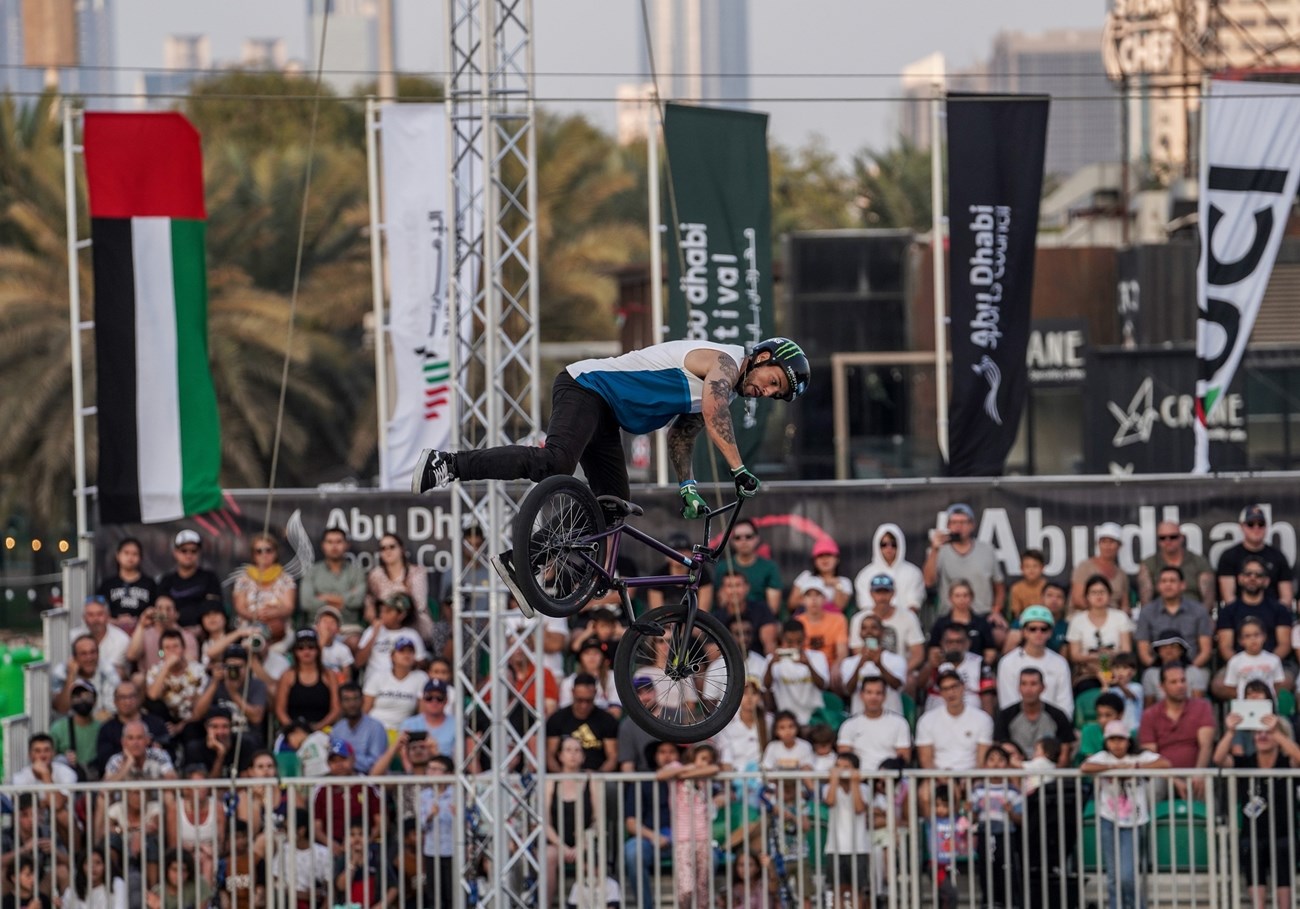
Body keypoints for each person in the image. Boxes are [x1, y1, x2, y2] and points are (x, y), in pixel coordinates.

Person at [412, 338, 811, 584]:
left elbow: (682, 434)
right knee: (555, 463)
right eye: (773, 381)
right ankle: (447, 463)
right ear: (762, 356)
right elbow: (714, 414)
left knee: (613, 506)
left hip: (608, 415)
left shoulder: (721, 385)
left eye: (775, 395)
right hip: (587, 387)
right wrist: (739, 470)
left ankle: (524, 560)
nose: (766, 392)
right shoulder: (725, 362)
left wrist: (686, 485)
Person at [1214, 706, 1300, 909]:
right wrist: (1230, 732)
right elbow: (1218, 759)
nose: (1263, 736)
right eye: (1258, 732)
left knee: (1283, 851)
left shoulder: (1286, 762)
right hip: (1252, 834)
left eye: (1267, 732)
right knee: (1251, 850)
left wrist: (1276, 732)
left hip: (1283, 834)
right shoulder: (1246, 762)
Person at [1081, 722, 1169, 909]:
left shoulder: (1138, 756)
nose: (1117, 744)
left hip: (1134, 820)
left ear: (1128, 741)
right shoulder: (1103, 757)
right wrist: (1114, 767)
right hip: (1108, 818)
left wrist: (1134, 766)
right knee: (1113, 875)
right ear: (1106, 742)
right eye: (1112, 740)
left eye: (1121, 739)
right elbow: (1085, 767)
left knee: (1127, 874)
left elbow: (1164, 762)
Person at [1137, 663, 1216, 802]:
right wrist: (1174, 780)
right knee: (1153, 789)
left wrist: (1198, 774)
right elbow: (1150, 756)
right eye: (1173, 682)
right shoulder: (1150, 714)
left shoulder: (1202, 706)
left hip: (1195, 771)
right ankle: (1146, 824)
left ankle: (1214, 822)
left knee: (1206, 789)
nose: (1180, 685)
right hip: (1163, 775)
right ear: (1161, 686)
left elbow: (1206, 746)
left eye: (1183, 680)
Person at [658, 743, 721, 909]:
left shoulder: (703, 775)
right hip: (683, 838)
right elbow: (661, 774)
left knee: (702, 887)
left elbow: (713, 769)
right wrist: (688, 770)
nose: (705, 763)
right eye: (702, 758)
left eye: (708, 759)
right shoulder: (678, 767)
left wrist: (687, 774)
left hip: (703, 837)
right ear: (693, 757)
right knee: (686, 887)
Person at [923, 503, 1006, 623]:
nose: (959, 527)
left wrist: (996, 611)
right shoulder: (939, 551)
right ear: (948, 525)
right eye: (954, 523)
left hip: (982, 615)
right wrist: (934, 550)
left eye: (963, 522)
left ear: (972, 525)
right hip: (950, 617)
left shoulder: (987, 550)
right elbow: (928, 582)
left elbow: (999, 586)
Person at [543, 736, 601, 907]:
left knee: (593, 864)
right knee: (548, 855)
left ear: (583, 756)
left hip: (585, 841)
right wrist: (562, 846)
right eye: (568, 750)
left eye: (577, 750)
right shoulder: (550, 782)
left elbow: (597, 820)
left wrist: (581, 844)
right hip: (556, 842)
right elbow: (545, 822)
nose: (573, 755)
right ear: (560, 755)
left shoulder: (592, 781)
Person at [996, 606, 1073, 718]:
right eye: (1032, 629)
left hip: (1053, 726)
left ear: (1050, 632)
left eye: (1043, 629)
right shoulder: (1007, 662)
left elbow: (1065, 703)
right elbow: (1008, 702)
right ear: (1024, 632)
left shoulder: (1060, 663)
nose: (1038, 633)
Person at [189, 643, 268, 752]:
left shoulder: (256, 685)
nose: (234, 671)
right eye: (230, 667)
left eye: (238, 667)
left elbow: (256, 718)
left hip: (246, 735)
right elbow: (197, 714)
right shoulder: (215, 683)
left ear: (247, 667)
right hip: (218, 735)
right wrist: (214, 683)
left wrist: (233, 693)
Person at [1135, 566, 1214, 674]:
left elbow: (1205, 651)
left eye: (1172, 581)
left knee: (1197, 679)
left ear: (1183, 585)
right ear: (1158, 586)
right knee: (1150, 677)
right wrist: (1162, 673)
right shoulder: (1147, 612)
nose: (1168, 585)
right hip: (1158, 669)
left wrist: (1188, 670)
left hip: (1192, 667)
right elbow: (1143, 653)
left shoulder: (1199, 611)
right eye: (1164, 581)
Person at [916, 665, 994, 775]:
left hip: (973, 777)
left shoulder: (983, 719)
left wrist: (967, 780)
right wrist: (943, 779)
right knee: (925, 791)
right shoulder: (927, 720)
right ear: (941, 693)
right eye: (945, 689)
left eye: (954, 687)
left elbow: (981, 760)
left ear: (963, 687)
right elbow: (926, 760)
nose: (950, 693)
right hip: (937, 777)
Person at [848, 574, 926, 681]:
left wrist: (900, 672)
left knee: (910, 680)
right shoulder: (859, 618)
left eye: (886, 592)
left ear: (893, 593)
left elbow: (918, 654)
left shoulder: (908, 616)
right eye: (878, 592)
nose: (882, 597)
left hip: (900, 668)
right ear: (871, 594)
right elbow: (857, 651)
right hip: (869, 669)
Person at [1217, 555, 1293, 662]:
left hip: (1275, 665)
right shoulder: (1228, 611)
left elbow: (1284, 645)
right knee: (1219, 680)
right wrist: (1242, 666)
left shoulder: (1280, 610)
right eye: (1248, 574)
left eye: (1258, 575)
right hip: (1237, 667)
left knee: (1285, 679)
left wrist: (1267, 665)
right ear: (1240, 578)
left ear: (1266, 581)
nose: (1252, 578)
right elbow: (1225, 648)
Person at [1066, 575, 1134, 694]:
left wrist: (1110, 655)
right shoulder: (1077, 620)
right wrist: (1095, 657)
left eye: (1102, 592)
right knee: (1086, 689)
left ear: (1109, 595)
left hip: (1117, 671)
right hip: (1088, 673)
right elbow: (1074, 655)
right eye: (1094, 592)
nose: (1098, 596)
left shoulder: (1120, 617)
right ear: (1087, 596)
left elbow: (1126, 650)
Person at [993, 668, 1076, 766]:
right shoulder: (1005, 716)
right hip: (1015, 773)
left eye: (1033, 684)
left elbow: (1064, 754)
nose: (1028, 689)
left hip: (1049, 774)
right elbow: (999, 750)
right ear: (1018, 688)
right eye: (1024, 684)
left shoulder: (1058, 715)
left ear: (1043, 687)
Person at [1218, 504, 1295, 607]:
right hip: (1239, 617)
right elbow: (1228, 598)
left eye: (1261, 524)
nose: (1256, 528)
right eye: (1250, 524)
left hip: (1272, 616)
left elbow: (1286, 597)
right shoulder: (1229, 556)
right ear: (1241, 526)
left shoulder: (1278, 556)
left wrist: (1276, 616)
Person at [367, 533, 436, 646]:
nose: (388, 551)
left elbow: (419, 604)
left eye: (392, 547)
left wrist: (394, 603)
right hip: (387, 624)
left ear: (402, 549)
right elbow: (371, 599)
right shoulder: (376, 575)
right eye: (383, 548)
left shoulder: (417, 572)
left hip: (414, 621)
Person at [823, 752, 872, 909]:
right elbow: (830, 801)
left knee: (857, 890)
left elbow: (859, 808)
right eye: (838, 766)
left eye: (846, 767)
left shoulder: (864, 788)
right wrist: (834, 780)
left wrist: (855, 783)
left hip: (858, 847)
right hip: (835, 847)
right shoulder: (828, 787)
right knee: (837, 889)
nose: (841, 770)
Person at [231, 534, 296, 651]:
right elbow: (240, 607)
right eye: (259, 551)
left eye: (268, 550)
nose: (264, 554)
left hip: (279, 632)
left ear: (275, 552)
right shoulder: (243, 578)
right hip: (249, 628)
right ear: (253, 555)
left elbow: (288, 607)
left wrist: (273, 614)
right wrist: (255, 616)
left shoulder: (286, 578)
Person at [298, 527, 367, 637]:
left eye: (339, 542)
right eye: (330, 542)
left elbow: (357, 601)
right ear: (323, 545)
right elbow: (306, 603)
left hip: (348, 626)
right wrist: (344, 598)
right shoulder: (312, 572)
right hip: (316, 626)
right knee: (310, 645)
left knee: (354, 642)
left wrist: (324, 597)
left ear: (346, 545)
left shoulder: (357, 572)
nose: (334, 546)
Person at [545, 673, 619, 772]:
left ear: (595, 693)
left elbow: (612, 757)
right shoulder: (557, 719)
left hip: (598, 778)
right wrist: (562, 779)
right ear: (572, 692)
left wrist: (596, 778)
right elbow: (550, 756)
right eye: (579, 700)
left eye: (589, 700)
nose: (584, 705)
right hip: (564, 777)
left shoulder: (607, 720)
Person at [762, 621, 829, 727]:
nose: (795, 646)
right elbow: (766, 687)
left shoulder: (817, 657)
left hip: (814, 717)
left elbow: (822, 685)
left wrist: (808, 665)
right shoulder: (772, 660)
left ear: (805, 638)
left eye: (799, 641)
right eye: (789, 642)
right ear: (782, 639)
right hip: (788, 719)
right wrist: (770, 666)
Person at [837, 675, 912, 770]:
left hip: (890, 779)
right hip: (858, 779)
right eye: (869, 692)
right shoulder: (849, 725)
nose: (873, 697)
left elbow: (904, 757)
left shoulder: (900, 723)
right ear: (861, 695)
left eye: (878, 693)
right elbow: (844, 759)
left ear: (884, 696)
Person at [839, 614, 909, 717]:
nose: (869, 631)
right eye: (864, 628)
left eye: (874, 627)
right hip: (860, 719)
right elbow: (849, 690)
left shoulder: (897, 660)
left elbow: (897, 685)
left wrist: (879, 665)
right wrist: (859, 665)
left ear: (882, 632)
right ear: (860, 633)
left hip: (891, 719)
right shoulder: (849, 662)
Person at [154, 530, 223, 631]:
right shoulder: (166, 580)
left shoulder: (209, 578)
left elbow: (213, 608)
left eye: (193, 551)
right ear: (175, 553)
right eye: (184, 550)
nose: (188, 555)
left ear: (199, 553)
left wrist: (199, 629)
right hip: (171, 633)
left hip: (203, 632)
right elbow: (161, 611)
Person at [1136, 521, 1215, 609]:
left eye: (1173, 537)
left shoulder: (1198, 561)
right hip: (1160, 616)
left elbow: (1208, 599)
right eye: (1162, 538)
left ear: (1181, 538)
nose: (1168, 541)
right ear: (1158, 541)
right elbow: (1145, 601)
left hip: (1193, 614)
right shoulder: (1149, 564)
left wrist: (1199, 618)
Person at [274, 628, 340, 732]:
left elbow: (336, 709)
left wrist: (317, 728)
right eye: (301, 648)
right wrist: (294, 730)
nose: (306, 651)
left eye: (311, 647)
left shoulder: (329, 675)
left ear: (318, 650)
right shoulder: (287, 676)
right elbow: (280, 710)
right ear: (295, 651)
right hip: (293, 732)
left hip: (323, 730)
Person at [144, 628, 208, 732]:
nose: (172, 651)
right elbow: (153, 696)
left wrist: (181, 726)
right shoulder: (155, 671)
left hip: (190, 720)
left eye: (175, 646)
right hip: (165, 718)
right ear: (161, 652)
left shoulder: (198, 671)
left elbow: (200, 708)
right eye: (167, 648)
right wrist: (166, 667)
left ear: (183, 649)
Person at [362, 635, 430, 731]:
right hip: (373, 729)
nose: (406, 655)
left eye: (410, 652)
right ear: (392, 656)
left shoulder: (421, 678)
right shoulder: (378, 676)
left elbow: (422, 714)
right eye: (402, 651)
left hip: (402, 732)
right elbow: (365, 709)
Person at [124, 596, 200, 681]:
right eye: (159, 608)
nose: (164, 613)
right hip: (151, 681)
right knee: (137, 678)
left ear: (176, 614)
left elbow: (192, 666)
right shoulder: (145, 633)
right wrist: (141, 625)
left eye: (168, 609)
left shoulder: (187, 637)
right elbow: (131, 656)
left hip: (179, 680)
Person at [356, 591, 428, 681]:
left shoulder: (411, 635)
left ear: (401, 615)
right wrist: (374, 635)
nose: (382, 615)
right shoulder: (371, 631)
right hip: (375, 682)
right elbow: (359, 662)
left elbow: (421, 663)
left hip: (402, 683)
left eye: (388, 611)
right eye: (382, 611)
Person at [1213, 618, 1290, 701]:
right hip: (1244, 705)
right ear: (1241, 640)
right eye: (1247, 636)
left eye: (1256, 635)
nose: (1253, 639)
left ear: (1264, 636)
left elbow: (1278, 684)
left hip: (1268, 704)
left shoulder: (1273, 660)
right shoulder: (1235, 661)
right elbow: (1231, 686)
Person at [855, 522, 925, 613]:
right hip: (875, 624)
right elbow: (865, 607)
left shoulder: (913, 573)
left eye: (894, 544)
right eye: (884, 544)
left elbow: (914, 604)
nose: (889, 548)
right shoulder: (865, 575)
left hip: (905, 623)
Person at [927, 580, 998, 667]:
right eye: (957, 596)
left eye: (965, 595)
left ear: (971, 597)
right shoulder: (941, 623)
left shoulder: (982, 623)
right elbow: (934, 650)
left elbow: (990, 650)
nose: (961, 599)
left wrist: (982, 668)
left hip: (975, 668)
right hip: (947, 669)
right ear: (950, 598)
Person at [52, 634, 118, 721]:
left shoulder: (107, 670)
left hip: (99, 723)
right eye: (83, 654)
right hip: (70, 725)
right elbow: (62, 709)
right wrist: (71, 676)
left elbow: (112, 710)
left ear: (98, 654)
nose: (89, 658)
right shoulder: (61, 672)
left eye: (93, 652)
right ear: (74, 657)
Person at [97, 538, 157, 632]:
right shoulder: (107, 584)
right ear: (118, 555)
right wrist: (116, 621)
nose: (130, 557)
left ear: (140, 558)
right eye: (126, 553)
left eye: (134, 554)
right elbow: (97, 611)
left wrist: (141, 621)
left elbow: (155, 611)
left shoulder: (149, 584)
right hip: (113, 630)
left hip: (143, 630)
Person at [713, 569, 779, 655]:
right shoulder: (716, 618)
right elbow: (712, 653)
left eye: (738, 585)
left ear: (747, 587)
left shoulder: (761, 610)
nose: (734, 591)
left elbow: (769, 646)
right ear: (722, 590)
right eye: (729, 586)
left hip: (758, 662)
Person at [1069, 522, 1130, 612]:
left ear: (1119, 546)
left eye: (1112, 542)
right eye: (1104, 541)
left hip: (1114, 620)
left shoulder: (1121, 574)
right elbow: (1078, 600)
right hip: (1085, 616)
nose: (1107, 546)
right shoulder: (1085, 567)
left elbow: (1124, 604)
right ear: (1098, 544)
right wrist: (1099, 615)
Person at [330, 682, 390, 774]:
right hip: (343, 779)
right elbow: (335, 760)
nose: (352, 704)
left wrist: (349, 761)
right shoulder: (337, 729)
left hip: (370, 780)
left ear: (362, 701)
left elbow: (376, 763)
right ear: (340, 703)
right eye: (347, 700)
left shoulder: (376, 727)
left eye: (355, 699)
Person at [68, 598, 131, 683]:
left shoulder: (121, 639)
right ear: (84, 618)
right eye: (90, 615)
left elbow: (111, 671)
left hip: (110, 683)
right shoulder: (72, 636)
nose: (95, 619)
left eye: (100, 614)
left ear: (108, 616)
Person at [50, 679, 102, 779]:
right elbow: (49, 755)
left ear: (95, 701)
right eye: (77, 696)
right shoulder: (58, 728)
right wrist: (64, 759)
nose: (82, 700)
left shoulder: (102, 728)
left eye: (87, 696)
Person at [789, 536, 853, 613]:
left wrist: (836, 585)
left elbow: (839, 607)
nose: (824, 559)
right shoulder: (805, 576)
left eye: (828, 555)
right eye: (820, 556)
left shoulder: (844, 581)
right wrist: (816, 602)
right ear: (814, 561)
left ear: (837, 559)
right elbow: (792, 604)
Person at [794, 580, 849, 667]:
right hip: (804, 666)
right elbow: (794, 650)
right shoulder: (796, 622)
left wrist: (836, 666)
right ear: (802, 600)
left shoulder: (838, 619)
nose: (813, 599)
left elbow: (842, 652)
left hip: (831, 666)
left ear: (824, 599)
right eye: (809, 595)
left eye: (818, 594)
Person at [1140, 634, 1207, 705]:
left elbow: (1198, 704)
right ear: (1158, 651)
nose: (1169, 650)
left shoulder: (1194, 671)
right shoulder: (1150, 673)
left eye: (1173, 646)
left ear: (1181, 650)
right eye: (1164, 647)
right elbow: (1149, 706)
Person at [400, 678, 457, 759]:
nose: (434, 702)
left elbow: (459, 760)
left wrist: (435, 752)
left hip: (447, 770)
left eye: (439, 698)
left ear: (446, 700)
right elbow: (404, 755)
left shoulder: (456, 725)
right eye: (429, 697)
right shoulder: (409, 723)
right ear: (423, 699)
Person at [60, 848, 127, 909]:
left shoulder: (117, 884)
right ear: (82, 867)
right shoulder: (72, 891)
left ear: (105, 866)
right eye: (88, 863)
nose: (93, 867)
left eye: (98, 863)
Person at [1008, 548, 1048, 620]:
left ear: (1042, 568)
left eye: (1035, 566)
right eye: (1027, 567)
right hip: (1024, 621)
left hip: (1045, 619)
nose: (1031, 570)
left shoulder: (1048, 587)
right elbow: (1016, 613)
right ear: (1021, 568)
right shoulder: (1016, 588)